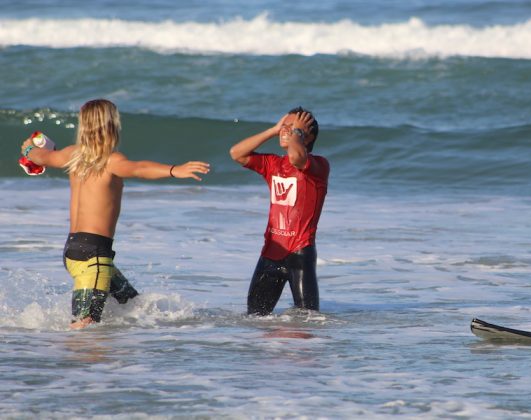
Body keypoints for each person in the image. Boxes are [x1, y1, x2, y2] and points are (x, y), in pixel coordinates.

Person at [20, 99, 210, 329]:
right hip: (94, 256)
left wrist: (29, 147)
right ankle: (73, 363)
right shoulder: (110, 161)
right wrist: (174, 170)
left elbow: (38, 156)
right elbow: (139, 168)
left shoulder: (71, 156)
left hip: (73, 250)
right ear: (112, 125)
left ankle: (109, 359)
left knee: (132, 306)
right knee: (84, 326)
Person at [229, 107, 329, 316]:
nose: (286, 131)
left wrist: (297, 135)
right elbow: (236, 153)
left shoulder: (318, 165)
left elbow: (297, 158)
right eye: (284, 126)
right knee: (255, 319)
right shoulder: (273, 164)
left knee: (308, 321)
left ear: (307, 136)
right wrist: (273, 130)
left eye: (292, 128)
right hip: (270, 254)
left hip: (299, 254)